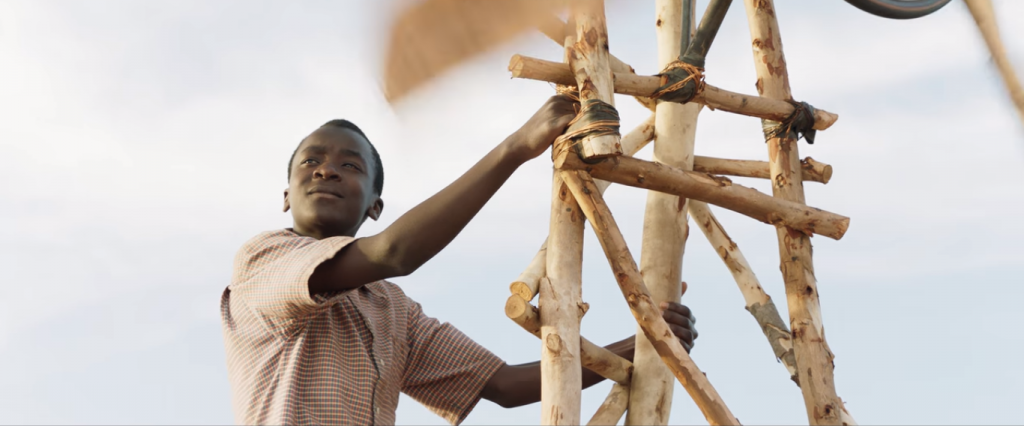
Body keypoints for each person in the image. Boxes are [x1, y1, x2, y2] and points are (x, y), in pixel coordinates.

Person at [220, 95, 698, 425]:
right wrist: (513, 149)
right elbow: (393, 251)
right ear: (286, 195)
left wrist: (642, 343)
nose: (325, 169)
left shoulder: (389, 308)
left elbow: (505, 386)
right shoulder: (263, 260)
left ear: (374, 205)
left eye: (351, 166)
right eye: (310, 161)